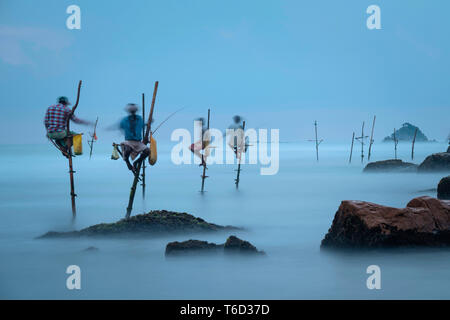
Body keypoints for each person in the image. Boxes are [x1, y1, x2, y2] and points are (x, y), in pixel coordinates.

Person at [119, 103, 150, 174]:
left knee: (147, 151)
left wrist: (148, 123)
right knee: (127, 150)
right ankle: (128, 162)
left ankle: (136, 162)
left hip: (138, 142)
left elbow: (143, 125)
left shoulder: (139, 119)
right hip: (129, 141)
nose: (133, 113)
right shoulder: (125, 120)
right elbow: (121, 126)